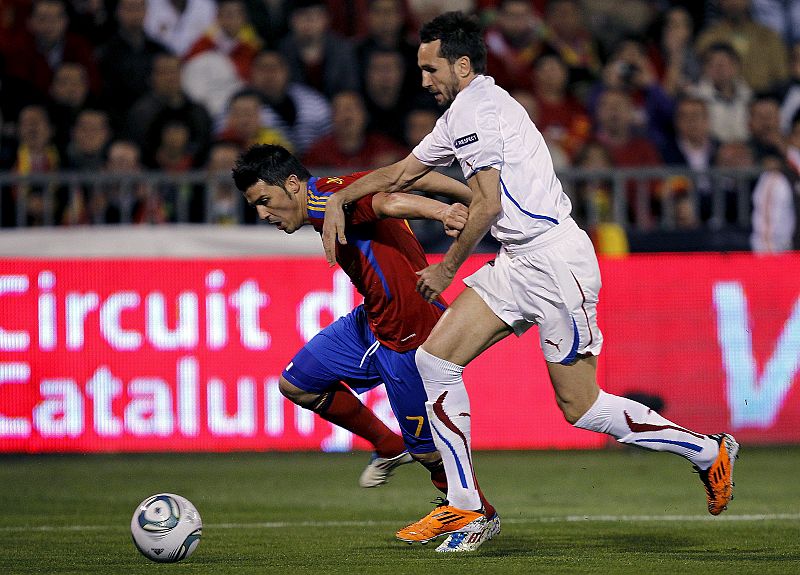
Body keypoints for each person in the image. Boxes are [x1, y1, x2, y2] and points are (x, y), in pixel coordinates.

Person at [321, 11, 740, 552]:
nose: (422, 80)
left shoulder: (477, 113)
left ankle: (708, 452)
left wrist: (448, 266)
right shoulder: (462, 113)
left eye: (430, 69)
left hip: (555, 263)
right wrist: (340, 196)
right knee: (434, 360)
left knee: (582, 408)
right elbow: (402, 171)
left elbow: (487, 202)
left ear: (462, 64)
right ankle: (467, 508)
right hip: (519, 261)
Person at [231, 143, 500, 553]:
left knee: (429, 451)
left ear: (291, 184)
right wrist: (471, 196)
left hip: (408, 334)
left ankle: (479, 515)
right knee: (298, 383)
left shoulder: (326, 204)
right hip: (372, 321)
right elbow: (414, 177)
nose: (263, 214)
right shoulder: (333, 187)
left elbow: (391, 201)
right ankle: (388, 445)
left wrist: (445, 212)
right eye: (256, 205)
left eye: (265, 201)